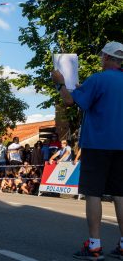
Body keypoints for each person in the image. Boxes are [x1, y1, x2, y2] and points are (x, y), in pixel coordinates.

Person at [52, 41, 123, 260]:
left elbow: (70, 101)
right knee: (121, 195)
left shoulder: (97, 79)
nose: (101, 58)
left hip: (97, 145)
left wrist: (59, 84)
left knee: (93, 194)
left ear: (109, 58)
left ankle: (94, 245)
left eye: (103, 55)